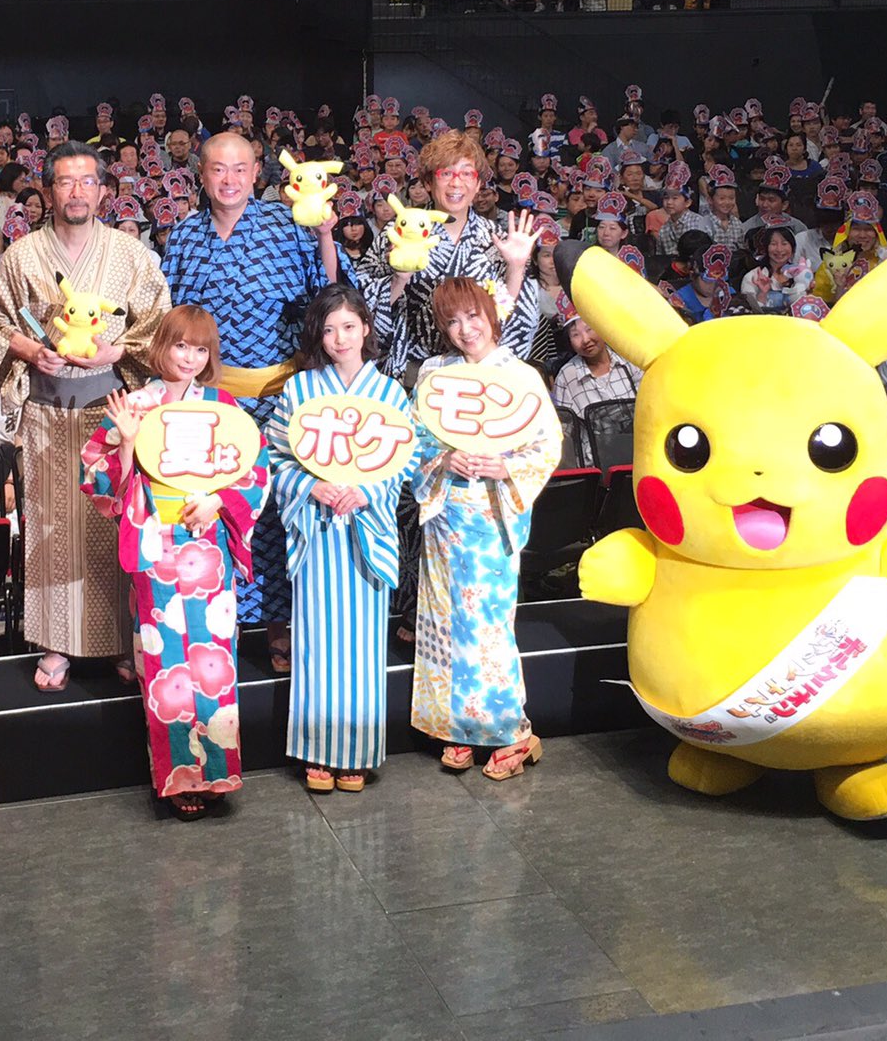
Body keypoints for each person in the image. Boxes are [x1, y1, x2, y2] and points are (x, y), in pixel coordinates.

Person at [0, 140, 171, 689]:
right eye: (66, 181)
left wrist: (115, 350)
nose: (78, 191)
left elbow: (159, 323)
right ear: (47, 191)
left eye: (88, 181)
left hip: (112, 411)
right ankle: (56, 644)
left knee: (115, 528)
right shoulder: (21, 256)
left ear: (104, 191)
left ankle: (122, 639)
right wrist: (27, 348)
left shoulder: (131, 254)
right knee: (50, 527)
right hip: (44, 410)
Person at [82, 305, 266, 818]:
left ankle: (220, 772)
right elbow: (98, 475)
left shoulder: (224, 406)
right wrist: (128, 445)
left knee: (215, 664)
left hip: (206, 546)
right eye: (180, 345)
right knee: (166, 667)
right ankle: (177, 775)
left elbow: (254, 468)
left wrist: (219, 500)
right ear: (161, 346)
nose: (189, 358)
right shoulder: (134, 403)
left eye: (200, 348)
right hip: (157, 544)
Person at [160, 131, 338, 659]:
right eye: (218, 169)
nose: (229, 179)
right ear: (202, 173)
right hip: (211, 399)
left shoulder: (288, 227)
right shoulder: (186, 234)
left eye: (240, 169)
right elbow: (172, 320)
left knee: (278, 509)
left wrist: (326, 237)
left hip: (280, 395)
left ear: (257, 172)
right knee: (210, 507)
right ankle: (219, 617)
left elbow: (329, 297)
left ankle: (280, 623)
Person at [266, 286, 419, 792]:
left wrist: (367, 490)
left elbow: (407, 460)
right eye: (329, 329)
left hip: (365, 529)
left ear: (366, 329)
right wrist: (313, 485)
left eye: (348, 326)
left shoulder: (392, 394)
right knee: (315, 642)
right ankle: (315, 749)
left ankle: (356, 752)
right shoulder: (300, 391)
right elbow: (275, 457)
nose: (339, 338)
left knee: (363, 647)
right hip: (317, 528)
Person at [408, 278, 560, 779]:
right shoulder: (436, 373)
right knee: (442, 623)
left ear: (492, 314)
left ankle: (510, 731)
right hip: (446, 512)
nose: (464, 329)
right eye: (452, 321)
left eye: (472, 316)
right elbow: (414, 444)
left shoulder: (520, 375)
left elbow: (546, 444)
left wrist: (506, 467)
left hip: (493, 513)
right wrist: (445, 456)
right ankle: (457, 729)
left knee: (488, 625)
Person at [363, 132, 540, 378]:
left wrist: (516, 268)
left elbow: (513, 316)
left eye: (467, 173)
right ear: (427, 182)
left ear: (478, 184)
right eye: (446, 173)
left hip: (479, 372)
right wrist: (399, 280)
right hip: (411, 370)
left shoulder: (497, 239)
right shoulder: (397, 232)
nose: (456, 183)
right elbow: (360, 307)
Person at [550, 301, 639, 459]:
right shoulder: (567, 376)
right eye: (575, 335)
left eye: (589, 329)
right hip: (597, 463)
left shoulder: (629, 361)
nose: (585, 340)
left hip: (639, 453)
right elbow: (565, 433)